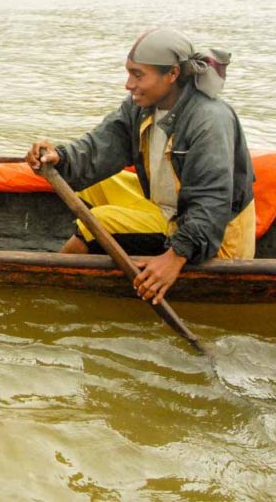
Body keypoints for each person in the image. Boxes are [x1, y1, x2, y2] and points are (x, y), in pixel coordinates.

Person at [26, 27, 255, 304]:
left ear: (172, 74)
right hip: (168, 208)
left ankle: (45, 289)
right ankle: (86, 252)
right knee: (97, 184)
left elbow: (212, 202)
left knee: (99, 222)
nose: (128, 84)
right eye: (129, 73)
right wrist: (60, 157)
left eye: (138, 75)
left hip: (212, 239)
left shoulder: (209, 120)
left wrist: (175, 256)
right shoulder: (142, 105)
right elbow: (102, 144)